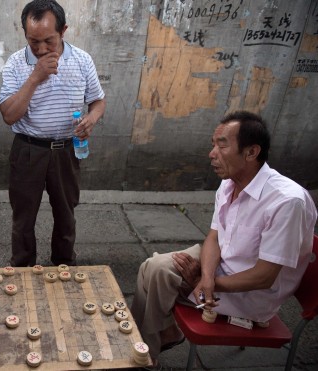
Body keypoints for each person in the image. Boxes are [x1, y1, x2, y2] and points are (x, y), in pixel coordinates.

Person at [131, 111, 317, 367]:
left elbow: (264, 276)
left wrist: (210, 283)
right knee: (152, 268)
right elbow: (215, 237)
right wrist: (206, 277)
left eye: (222, 144)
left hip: (253, 295)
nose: (212, 153)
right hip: (222, 270)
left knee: (157, 277)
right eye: (213, 144)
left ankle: (144, 355)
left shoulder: (287, 201)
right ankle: (156, 341)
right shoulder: (229, 183)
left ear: (251, 152)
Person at [0, 0, 106, 267]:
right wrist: (35, 77)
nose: (41, 49)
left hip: (67, 150)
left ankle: (63, 264)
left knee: (66, 213)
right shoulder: (15, 63)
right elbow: (9, 115)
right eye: (33, 41)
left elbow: (98, 101)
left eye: (49, 41)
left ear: (63, 30)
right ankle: (22, 266)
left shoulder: (82, 60)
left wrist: (91, 118)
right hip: (28, 149)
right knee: (23, 217)